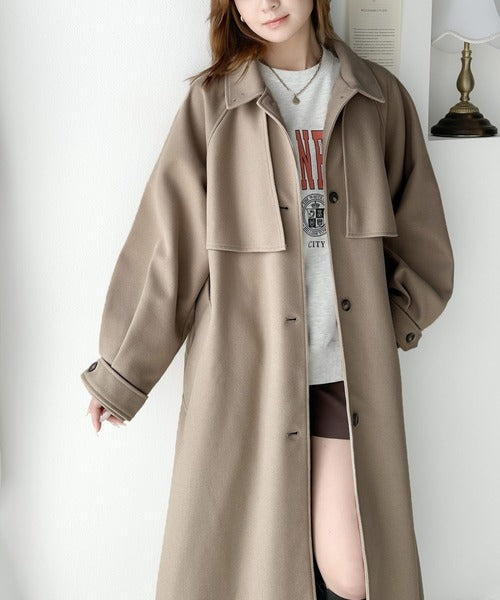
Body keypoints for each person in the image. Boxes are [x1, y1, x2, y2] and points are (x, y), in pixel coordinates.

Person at [82, 2, 454, 600]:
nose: (269, 3)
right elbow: (168, 248)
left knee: (359, 570)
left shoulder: (378, 98)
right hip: (246, 379)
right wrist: (121, 373)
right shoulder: (215, 106)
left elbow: (422, 233)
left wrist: (390, 325)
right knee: (250, 570)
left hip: (343, 378)